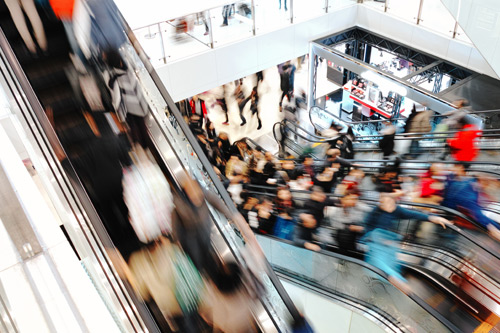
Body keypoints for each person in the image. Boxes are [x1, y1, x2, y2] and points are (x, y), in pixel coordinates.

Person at [362, 192, 451, 292]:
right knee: (378, 263)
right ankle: (396, 282)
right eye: (384, 202)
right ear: (381, 203)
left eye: (390, 202)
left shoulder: (397, 210)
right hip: (377, 244)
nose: (388, 205)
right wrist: (373, 238)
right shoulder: (375, 212)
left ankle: (389, 284)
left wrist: (435, 218)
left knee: (388, 265)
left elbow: (415, 215)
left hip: (390, 244)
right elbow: (367, 226)